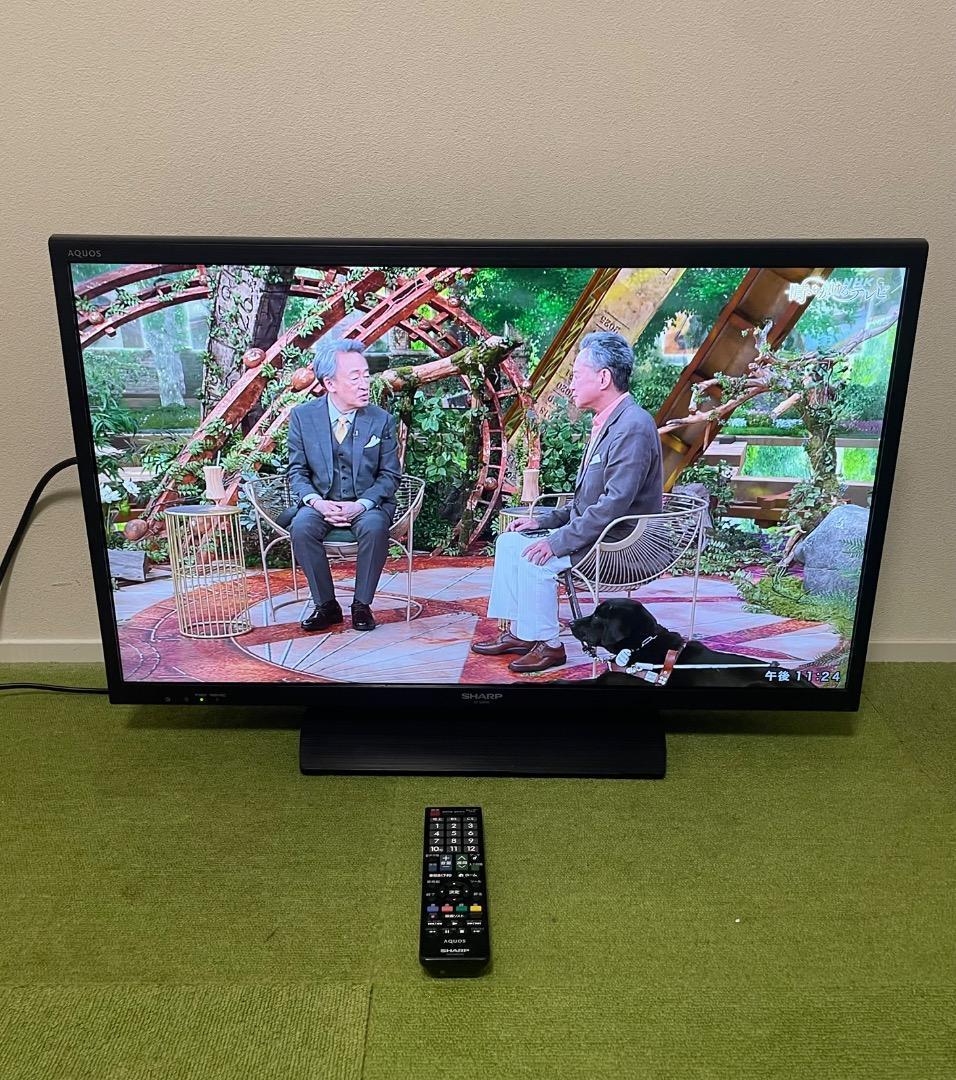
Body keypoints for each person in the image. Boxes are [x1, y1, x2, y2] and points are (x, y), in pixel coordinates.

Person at [472, 330, 664, 673]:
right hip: (600, 531)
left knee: (535, 558)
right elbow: (586, 502)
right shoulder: (608, 422)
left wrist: (557, 541)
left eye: (576, 375)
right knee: (510, 542)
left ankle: (549, 645)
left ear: (603, 378)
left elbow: (615, 503)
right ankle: (523, 632)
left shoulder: (633, 425)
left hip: (619, 542)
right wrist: (544, 522)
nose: (571, 384)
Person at [287, 338, 401, 632]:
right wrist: (317, 502)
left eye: (366, 375)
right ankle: (326, 606)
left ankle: (361, 605)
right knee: (301, 527)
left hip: (366, 503)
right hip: (320, 501)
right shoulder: (302, 417)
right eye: (355, 377)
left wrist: (360, 505)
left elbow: (389, 476)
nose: (365, 384)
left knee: (375, 527)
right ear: (330, 383)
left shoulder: (381, 420)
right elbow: (297, 471)